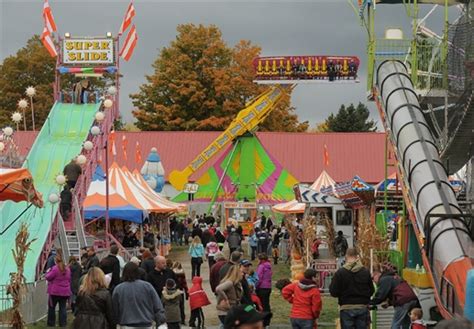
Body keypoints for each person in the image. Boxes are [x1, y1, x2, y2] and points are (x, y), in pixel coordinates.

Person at [329, 248, 374, 329]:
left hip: (346, 307)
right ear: (357, 256)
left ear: (346, 256)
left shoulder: (340, 273)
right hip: (362, 307)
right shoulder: (365, 272)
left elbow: (333, 292)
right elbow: (371, 290)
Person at [113, 262, 166, 328]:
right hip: (146, 324)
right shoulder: (147, 286)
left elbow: (115, 310)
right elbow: (157, 306)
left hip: (126, 325)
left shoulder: (118, 289)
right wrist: (161, 321)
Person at [371, 263, 420, 329]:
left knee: (395, 324)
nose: (373, 281)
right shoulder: (393, 276)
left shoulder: (384, 279)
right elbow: (397, 293)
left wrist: (370, 303)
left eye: (372, 278)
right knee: (405, 323)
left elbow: (380, 296)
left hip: (403, 302)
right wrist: (389, 303)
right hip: (412, 299)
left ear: (376, 274)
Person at [45, 255, 71, 327]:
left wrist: (48, 272)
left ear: (55, 261)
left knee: (52, 308)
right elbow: (69, 279)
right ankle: (63, 324)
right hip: (65, 291)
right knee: (63, 308)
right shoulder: (67, 269)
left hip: (55, 291)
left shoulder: (55, 269)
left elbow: (48, 277)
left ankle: (51, 323)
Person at [256, 253, 272, 326]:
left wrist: (256, 286)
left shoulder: (261, 266)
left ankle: (263, 321)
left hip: (262, 287)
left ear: (260, 259)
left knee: (261, 305)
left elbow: (258, 278)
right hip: (268, 287)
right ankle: (267, 320)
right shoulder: (268, 266)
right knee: (266, 304)